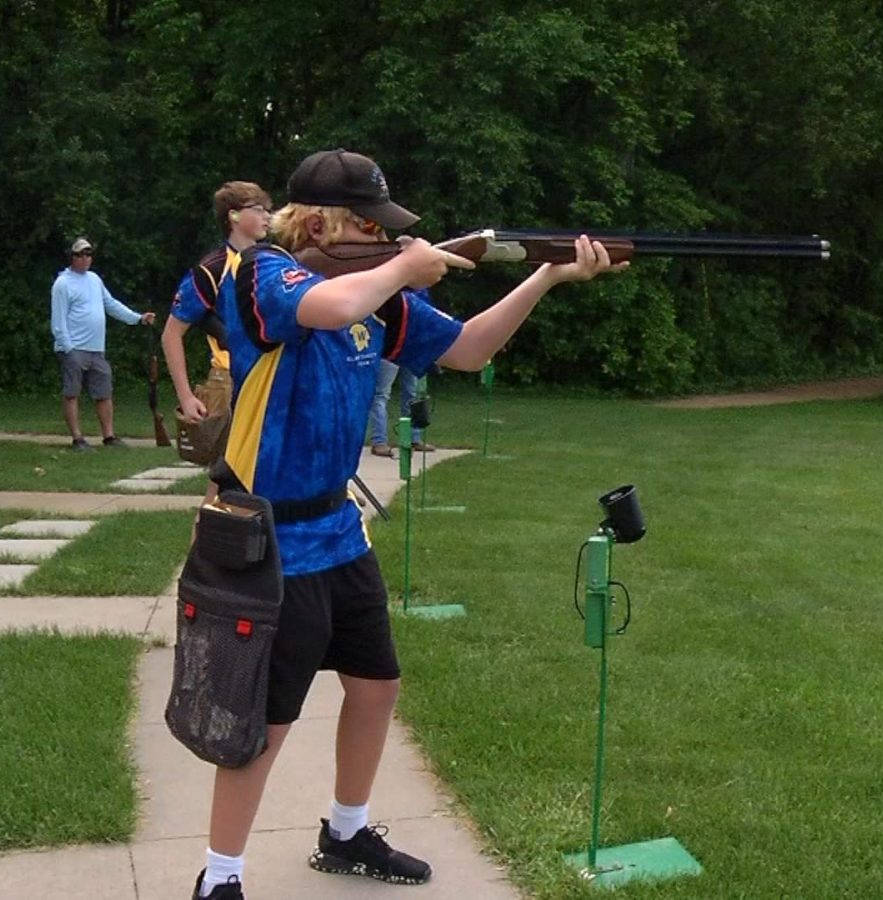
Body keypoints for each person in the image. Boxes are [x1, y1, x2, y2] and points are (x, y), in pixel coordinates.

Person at [188, 149, 622, 899]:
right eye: (369, 222)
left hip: (338, 531)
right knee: (266, 718)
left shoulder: (379, 293)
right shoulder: (265, 274)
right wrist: (403, 270)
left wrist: (546, 275)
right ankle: (218, 878)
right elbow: (331, 308)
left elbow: (467, 348)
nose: (382, 235)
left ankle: (347, 831)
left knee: (377, 684)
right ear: (321, 222)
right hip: (272, 541)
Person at [163, 182, 273, 469]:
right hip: (230, 380)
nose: (267, 217)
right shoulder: (211, 269)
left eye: (267, 210)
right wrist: (186, 397)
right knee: (228, 478)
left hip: (269, 376)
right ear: (233, 216)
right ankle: (208, 517)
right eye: (258, 209)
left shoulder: (272, 262)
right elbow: (171, 334)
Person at [50, 236, 156, 450]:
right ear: (72, 257)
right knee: (72, 393)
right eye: (80, 254)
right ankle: (77, 438)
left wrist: (137, 318)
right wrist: (68, 347)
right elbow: (58, 321)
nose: (85, 258)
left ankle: (109, 436)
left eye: (88, 254)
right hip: (73, 348)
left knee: (104, 392)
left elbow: (111, 304)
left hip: (96, 349)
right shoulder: (62, 283)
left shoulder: (94, 279)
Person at [366, 343, 434, 458]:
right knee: (383, 395)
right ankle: (380, 441)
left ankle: (412, 438)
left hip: (402, 347)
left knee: (409, 395)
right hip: (396, 346)